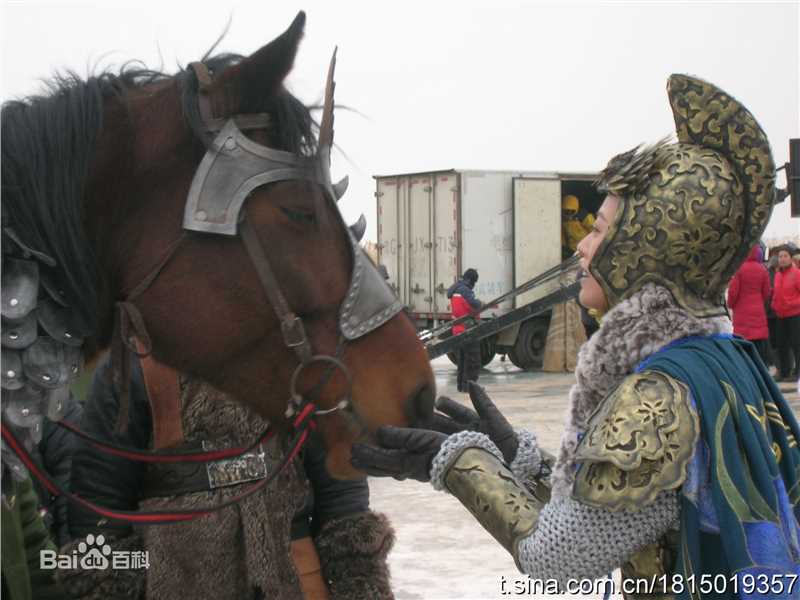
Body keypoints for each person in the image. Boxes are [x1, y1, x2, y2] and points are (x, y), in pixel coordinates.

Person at [352, 74, 800, 594]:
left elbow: (559, 556)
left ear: (645, 250)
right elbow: (637, 509)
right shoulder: (722, 355)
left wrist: (462, 465)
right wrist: (523, 462)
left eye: (599, 230)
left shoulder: (655, 395)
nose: (583, 247)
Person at [60, 354, 395, 600]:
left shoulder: (298, 354)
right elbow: (98, 508)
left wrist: (359, 585)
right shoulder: (132, 363)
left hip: (295, 574)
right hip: (174, 579)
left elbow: (341, 492)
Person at [727, 244, 771, 366]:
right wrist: (758, 301)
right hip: (758, 311)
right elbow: (767, 292)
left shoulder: (739, 269)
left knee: (744, 347)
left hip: (742, 313)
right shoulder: (763, 269)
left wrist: (731, 304)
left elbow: (733, 292)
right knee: (759, 347)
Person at [447, 269, 483, 392]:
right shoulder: (465, 290)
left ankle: (462, 386)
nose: (473, 285)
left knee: (462, 360)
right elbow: (474, 304)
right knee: (473, 360)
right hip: (467, 329)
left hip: (457, 329)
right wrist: (480, 303)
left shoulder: (455, 289)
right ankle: (471, 388)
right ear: (470, 280)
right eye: (474, 282)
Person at [772, 246, 800, 381]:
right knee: (781, 344)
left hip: (795, 314)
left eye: (785, 256)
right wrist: (774, 304)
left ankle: (797, 372)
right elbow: (776, 293)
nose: (782, 259)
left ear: (790, 258)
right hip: (780, 314)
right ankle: (784, 371)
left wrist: (792, 303)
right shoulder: (777, 275)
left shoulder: (797, 274)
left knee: (796, 344)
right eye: (780, 256)